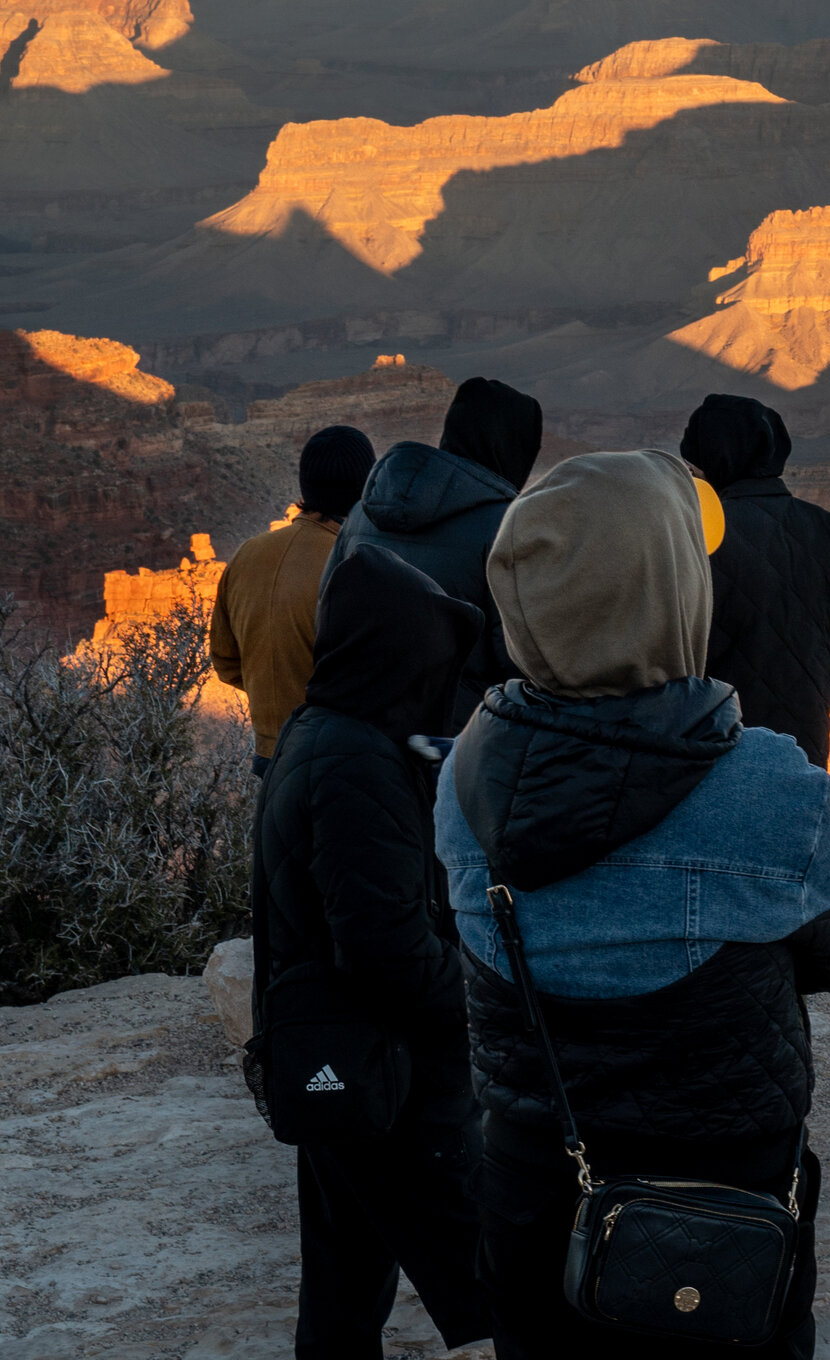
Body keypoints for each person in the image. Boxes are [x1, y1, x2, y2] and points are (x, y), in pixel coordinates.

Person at [433, 450, 830, 1360]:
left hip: (534, 1186)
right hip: (721, 1202)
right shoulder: (758, 781)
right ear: (671, 587)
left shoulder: (464, 776)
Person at [251, 544, 493, 1359]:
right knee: (493, 1282)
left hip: (333, 1058)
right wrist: (478, 1003)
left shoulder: (317, 732)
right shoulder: (353, 761)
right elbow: (384, 946)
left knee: (344, 1285)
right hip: (384, 1068)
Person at [675, 393, 830, 766]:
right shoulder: (829, 530)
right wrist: (803, 686)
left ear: (714, 460)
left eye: (693, 465)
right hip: (802, 747)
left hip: (708, 744)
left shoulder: (694, 533)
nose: (689, 474)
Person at [330, 376, 543, 732]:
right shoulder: (506, 527)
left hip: (357, 724)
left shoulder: (361, 512)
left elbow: (327, 617)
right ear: (512, 447)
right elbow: (518, 660)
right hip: (454, 739)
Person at [214, 425, 375, 778]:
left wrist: (274, 685)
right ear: (365, 488)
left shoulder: (246, 555)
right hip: (340, 759)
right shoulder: (356, 562)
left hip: (270, 757)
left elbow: (226, 662)